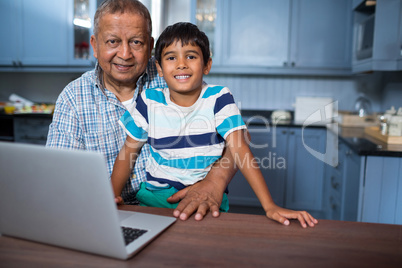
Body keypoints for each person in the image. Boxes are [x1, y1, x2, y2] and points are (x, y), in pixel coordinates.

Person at [111, 22, 318, 227]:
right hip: (154, 201)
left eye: (191, 56)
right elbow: (129, 151)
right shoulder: (149, 100)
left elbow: (240, 148)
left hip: (206, 202)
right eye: (171, 57)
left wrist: (269, 206)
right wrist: (111, 196)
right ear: (160, 68)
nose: (181, 64)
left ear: (207, 65)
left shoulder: (219, 98)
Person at [46, 0, 238, 221]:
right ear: (95, 45)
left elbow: (239, 140)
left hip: (181, 211)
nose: (125, 53)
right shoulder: (73, 98)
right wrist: (93, 200)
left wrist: (216, 179)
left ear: (150, 45)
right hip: (106, 215)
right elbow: (58, 176)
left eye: (136, 42)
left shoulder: (173, 78)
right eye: (112, 41)